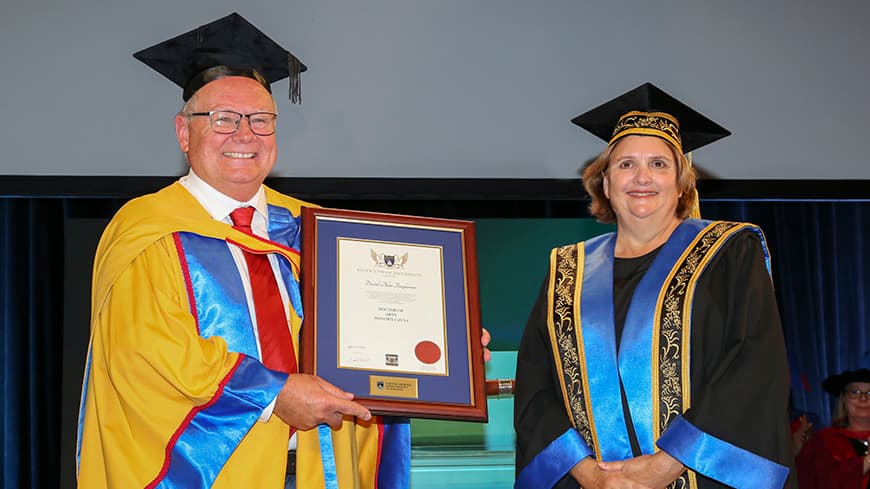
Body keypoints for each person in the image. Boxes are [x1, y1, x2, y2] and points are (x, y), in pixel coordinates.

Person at [75, 13, 490, 489]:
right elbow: (148, 353)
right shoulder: (148, 229)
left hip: (317, 470)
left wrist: (449, 350)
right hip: (213, 475)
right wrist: (276, 395)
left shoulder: (313, 229)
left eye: (261, 120)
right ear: (184, 133)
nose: (245, 134)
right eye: (223, 119)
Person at [513, 82, 796, 489]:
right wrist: (589, 473)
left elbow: (753, 366)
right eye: (625, 164)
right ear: (605, 183)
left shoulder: (729, 253)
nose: (641, 177)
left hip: (700, 476)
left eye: (659, 164)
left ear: (682, 183)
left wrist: (665, 465)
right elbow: (536, 386)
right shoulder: (567, 271)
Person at [796, 358, 870, 488]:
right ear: (844, 400)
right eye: (855, 392)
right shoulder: (822, 442)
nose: (863, 398)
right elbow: (816, 482)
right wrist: (867, 461)